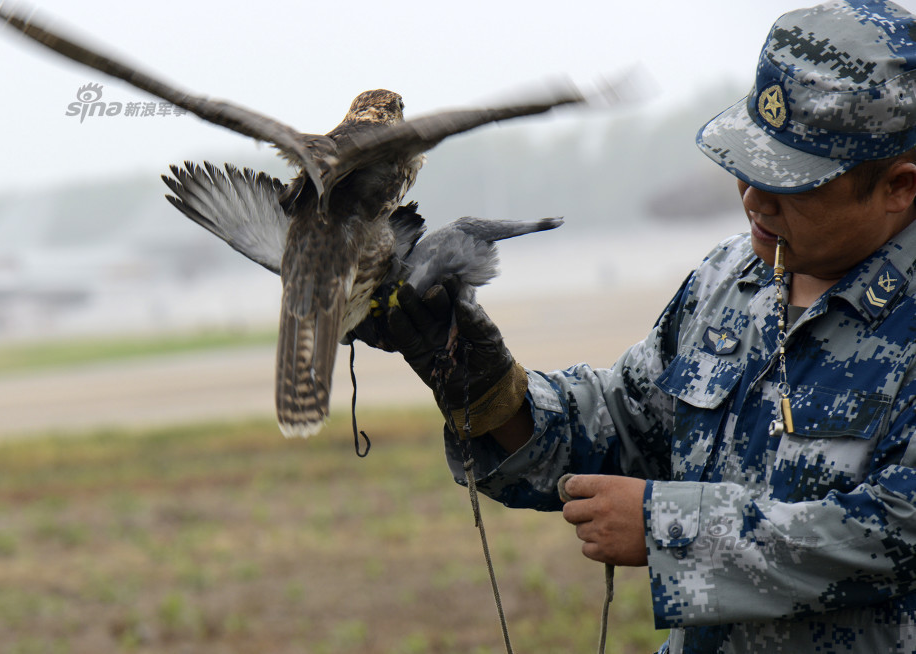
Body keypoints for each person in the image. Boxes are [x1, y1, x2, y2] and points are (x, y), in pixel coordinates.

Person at [354, 1, 916, 652]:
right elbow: (625, 420)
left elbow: (895, 528)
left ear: (899, 187)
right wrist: (491, 389)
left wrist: (667, 527)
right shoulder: (731, 278)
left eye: (794, 182)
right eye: (749, 165)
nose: (754, 199)